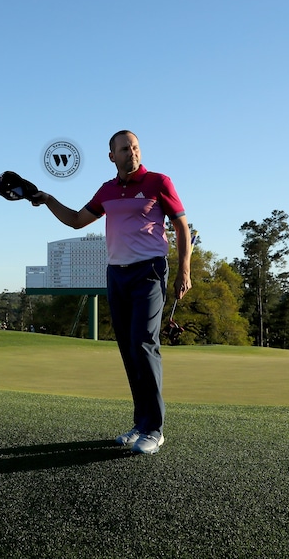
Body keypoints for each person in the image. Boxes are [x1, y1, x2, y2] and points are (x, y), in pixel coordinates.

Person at [30, 130, 192, 455]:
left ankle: (155, 429)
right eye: (123, 148)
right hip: (116, 275)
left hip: (149, 272)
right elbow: (77, 220)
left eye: (134, 147)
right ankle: (141, 423)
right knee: (128, 349)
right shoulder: (107, 190)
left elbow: (181, 226)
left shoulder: (159, 182)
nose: (131, 152)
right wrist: (48, 199)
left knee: (144, 344)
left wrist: (184, 270)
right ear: (112, 156)